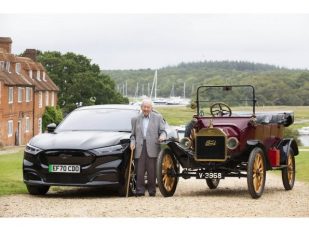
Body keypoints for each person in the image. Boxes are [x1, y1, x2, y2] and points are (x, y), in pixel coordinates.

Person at [130, 99, 166, 197]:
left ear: (151, 108)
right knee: (139, 171)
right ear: (141, 108)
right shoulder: (135, 119)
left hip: (153, 146)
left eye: (148, 107)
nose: (146, 109)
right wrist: (132, 142)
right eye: (144, 107)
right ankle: (140, 191)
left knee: (152, 171)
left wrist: (162, 136)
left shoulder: (158, 117)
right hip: (139, 147)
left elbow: (163, 131)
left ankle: (152, 191)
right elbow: (132, 135)